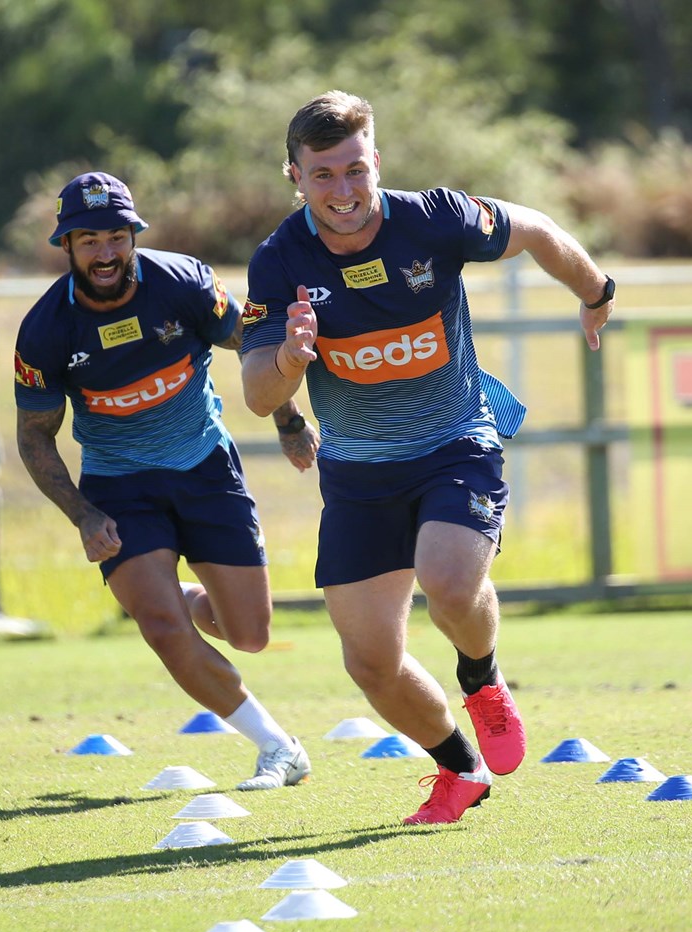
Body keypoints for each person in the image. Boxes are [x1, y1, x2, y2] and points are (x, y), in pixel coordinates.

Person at [240, 91, 616, 824]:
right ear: (295, 176)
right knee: (369, 662)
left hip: (454, 443)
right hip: (357, 472)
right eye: (323, 175)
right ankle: (459, 768)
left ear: (376, 162)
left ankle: (481, 678)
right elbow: (258, 394)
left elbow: (536, 230)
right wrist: (289, 358)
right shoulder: (279, 260)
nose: (343, 190)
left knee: (447, 582)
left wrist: (596, 289)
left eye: (355, 169)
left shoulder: (434, 219)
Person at [15, 171, 319, 790]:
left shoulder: (185, 283)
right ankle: (278, 746)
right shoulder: (45, 328)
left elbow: (254, 347)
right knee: (161, 628)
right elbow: (35, 436)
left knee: (249, 634)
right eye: (88, 240)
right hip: (119, 485)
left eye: (116, 237)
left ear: (134, 236)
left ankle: (167, 592)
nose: (105, 253)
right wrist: (83, 515)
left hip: (205, 466)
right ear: (66, 245)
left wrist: (289, 420)